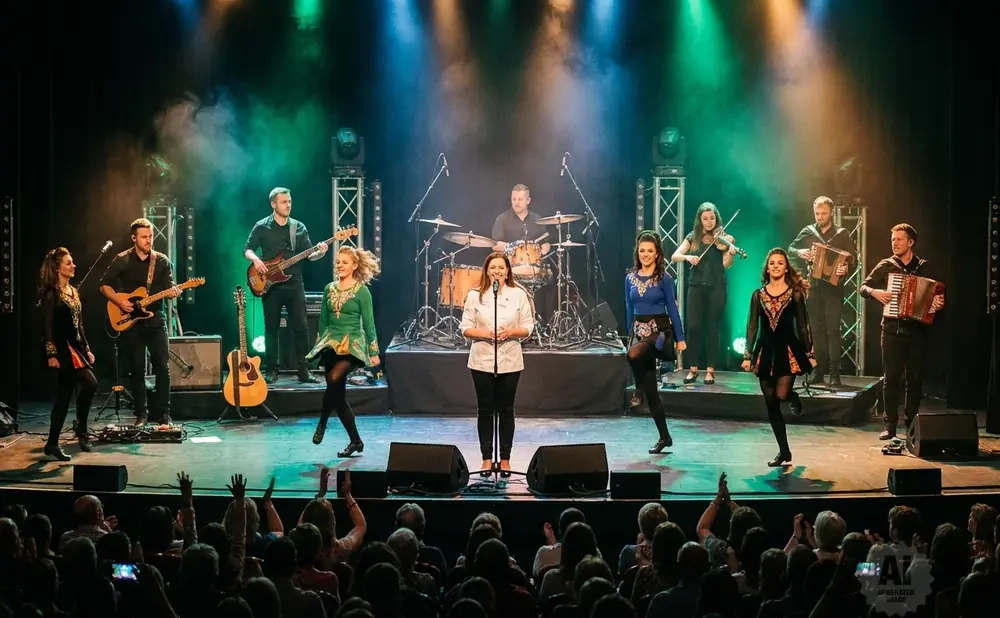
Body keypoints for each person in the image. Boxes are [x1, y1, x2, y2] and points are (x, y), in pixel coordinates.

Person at [859, 223, 944, 440]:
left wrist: (937, 304)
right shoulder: (886, 265)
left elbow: (937, 296)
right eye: (893, 240)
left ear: (910, 242)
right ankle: (889, 425)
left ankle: (912, 423)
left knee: (914, 379)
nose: (894, 243)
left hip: (917, 332)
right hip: (891, 330)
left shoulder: (924, 267)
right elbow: (863, 287)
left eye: (898, 239)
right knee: (891, 378)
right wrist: (875, 293)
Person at [100, 218, 182, 426]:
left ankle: (164, 414)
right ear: (133, 238)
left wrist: (174, 292)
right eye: (144, 237)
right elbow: (104, 286)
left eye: (150, 236)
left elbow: (169, 288)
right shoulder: (122, 259)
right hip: (131, 321)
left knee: (162, 367)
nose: (148, 241)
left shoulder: (162, 261)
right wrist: (120, 301)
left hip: (155, 320)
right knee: (137, 368)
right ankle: (141, 414)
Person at [460, 252, 535, 476]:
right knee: (485, 410)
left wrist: (511, 332)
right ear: (486, 270)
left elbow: (528, 326)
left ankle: (505, 459)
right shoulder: (475, 295)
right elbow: (465, 327)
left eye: (501, 268)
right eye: (493, 268)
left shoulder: (519, 294)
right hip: (481, 359)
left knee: (506, 410)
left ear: (508, 271)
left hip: (510, 359)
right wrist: (484, 334)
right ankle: (485, 458)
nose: (497, 272)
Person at [244, 187, 329, 384]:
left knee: (301, 327)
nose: (288, 205)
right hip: (270, 286)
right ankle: (271, 369)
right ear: (273, 204)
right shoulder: (262, 226)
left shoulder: (298, 227)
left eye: (290, 201)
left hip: (294, 284)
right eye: (284, 202)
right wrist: (257, 261)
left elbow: (310, 254)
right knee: (271, 328)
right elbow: (247, 249)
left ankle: (304, 370)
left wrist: (321, 252)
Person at [741, 248, 817, 467]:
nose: (775, 266)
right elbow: (752, 326)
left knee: (782, 394)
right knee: (771, 404)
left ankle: (793, 397)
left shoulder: (795, 294)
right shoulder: (758, 295)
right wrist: (748, 354)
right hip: (765, 350)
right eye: (772, 263)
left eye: (780, 263)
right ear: (767, 267)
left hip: (788, 350)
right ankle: (784, 451)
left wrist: (809, 351)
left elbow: (803, 326)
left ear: (786, 268)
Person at [307, 246, 380, 458]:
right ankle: (356, 441)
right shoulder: (329, 289)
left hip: (352, 345)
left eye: (345, 262)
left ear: (355, 266)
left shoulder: (361, 291)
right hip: (331, 343)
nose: (340, 265)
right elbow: (323, 321)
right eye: (338, 262)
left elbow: (369, 323)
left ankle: (321, 423)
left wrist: (373, 350)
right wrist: (319, 344)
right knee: (337, 394)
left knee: (334, 377)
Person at [626, 231, 686, 454]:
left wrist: (680, 338)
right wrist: (628, 335)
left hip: (659, 332)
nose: (646, 255)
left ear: (657, 253)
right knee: (653, 391)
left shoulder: (665, 278)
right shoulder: (629, 278)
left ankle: (637, 390)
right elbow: (628, 308)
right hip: (639, 332)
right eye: (642, 251)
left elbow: (673, 308)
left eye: (650, 251)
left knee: (632, 356)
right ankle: (665, 437)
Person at [788, 196, 856, 387]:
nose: (820, 217)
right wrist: (800, 253)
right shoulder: (808, 232)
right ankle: (819, 371)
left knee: (833, 331)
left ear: (832, 213)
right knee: (816, 331)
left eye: (824, 213)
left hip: (833, 289)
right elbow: (791, 248)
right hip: (814, 288)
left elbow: (853, 258)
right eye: (817, 213)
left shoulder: (842, 234)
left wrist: (845, 269)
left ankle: (835, 373)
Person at [38, 247, 98, 460]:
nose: (73, 266)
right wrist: (51, 354)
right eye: (68, 263)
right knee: (74, 391)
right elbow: (48, 327)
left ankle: (56, 441)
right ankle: (75, 433)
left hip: (76, 349)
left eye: (72, 262)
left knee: (69, 394)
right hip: (63, 350)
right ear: (57, 267)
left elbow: (79, 325)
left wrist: (87, 349)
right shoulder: (51, 293)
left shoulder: (73, 292)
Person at [671, 202, 736, 385]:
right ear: (700, 219)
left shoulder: (724, 238)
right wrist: (687, 257)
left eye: (712, 218)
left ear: (717, 219)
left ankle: (710, 370)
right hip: (696, 286)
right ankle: (693, 369)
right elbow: (675, 256)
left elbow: (727, 264)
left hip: (716, 286)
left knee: (712, 327)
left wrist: (730, 252)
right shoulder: (693, 237)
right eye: (705, 218)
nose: (709, 222)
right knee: (694, 327)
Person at [492, 183, 554, 321]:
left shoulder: (537, 219)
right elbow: (495, 245)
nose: (516, 202)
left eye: (520, 199)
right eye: (514, 199)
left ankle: (545, 322)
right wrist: (513, 246)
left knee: (551, 277)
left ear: (528, 200)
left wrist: (542, 251)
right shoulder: (502, 219)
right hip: (509, 268)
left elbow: (546, 242)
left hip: (533, 266)